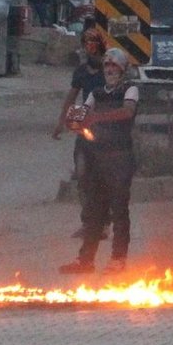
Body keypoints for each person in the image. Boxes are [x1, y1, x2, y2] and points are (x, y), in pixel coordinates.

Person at [59, 47, 139, 275]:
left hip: (120, 158)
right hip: (97, 159)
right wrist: (73, 121)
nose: (110, 69)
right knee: (95, 211)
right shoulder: (96, 92)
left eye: (114, 65)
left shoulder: (130, 89)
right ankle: (85, 260)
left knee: (119, 209)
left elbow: (127, 112)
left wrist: (96, 118)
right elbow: (80, 115)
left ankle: (118, 260)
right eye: (107, 65)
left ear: (123, 69)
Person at [53, 28, 108, 239]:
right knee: (83, 177)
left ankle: (104, 224)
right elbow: (72, 98)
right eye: (88, 46)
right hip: (86, 132)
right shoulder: (82, 72)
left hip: (107, 133)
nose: (91, 51)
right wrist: (61, 122)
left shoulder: (112, 71)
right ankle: (88, 223)